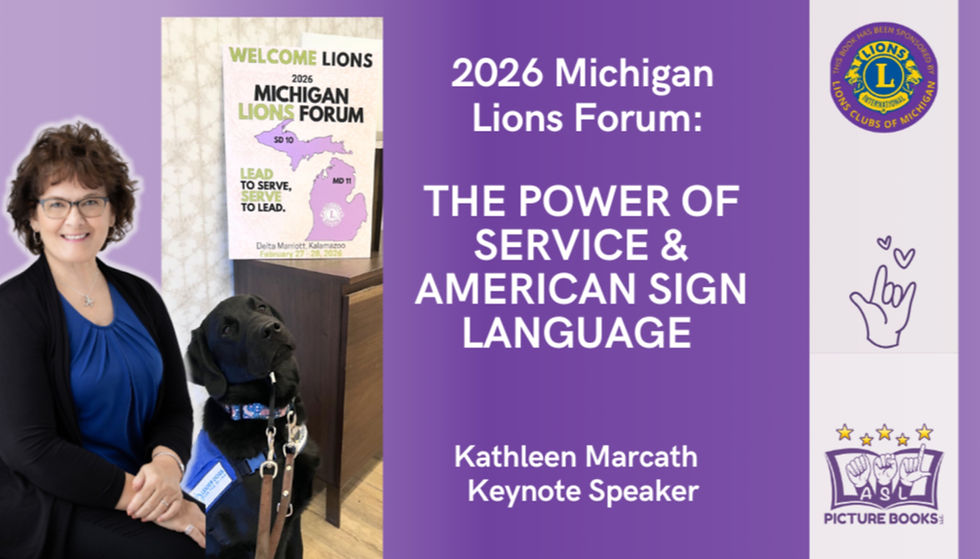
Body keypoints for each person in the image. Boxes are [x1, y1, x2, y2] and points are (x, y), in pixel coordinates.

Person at [0, 122, 204, 558]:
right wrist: (158, 505)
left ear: (112, 213)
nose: (75, 219)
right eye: (56, 204)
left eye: (91, 201)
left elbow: (174, 405)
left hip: (141, 484)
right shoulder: (13, 308)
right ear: (33, 216)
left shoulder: (141, 295)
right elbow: (30, 448)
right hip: (53, 498)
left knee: (228, 531)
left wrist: (169, 466)